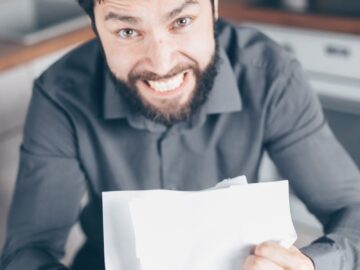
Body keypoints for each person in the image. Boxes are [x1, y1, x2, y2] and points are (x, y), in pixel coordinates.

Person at [1, 0, 360, 269]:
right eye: (128, 31)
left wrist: (310, 265)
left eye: (182, 21)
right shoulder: (61, 93)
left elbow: (352, 210)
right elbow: (29, 249)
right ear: (96, 27)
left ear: (214, 8)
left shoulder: (269, 74)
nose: (161, 63)